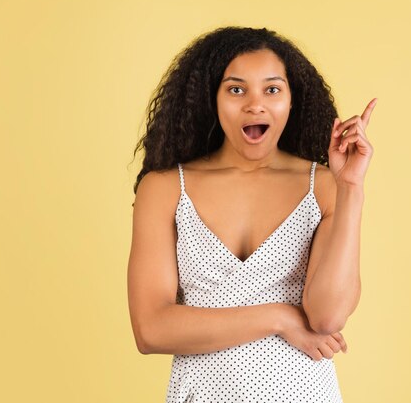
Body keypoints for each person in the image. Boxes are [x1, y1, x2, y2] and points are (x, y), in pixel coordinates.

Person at [127, 26, 376, 402]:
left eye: (272, 89)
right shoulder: (164, 189)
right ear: (212, 97)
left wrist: (351, 189)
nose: (254, 104)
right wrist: (279, 318)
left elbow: (327, 318)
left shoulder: (324, 186)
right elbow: (151, 329)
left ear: (292, 101)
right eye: (236, 89)